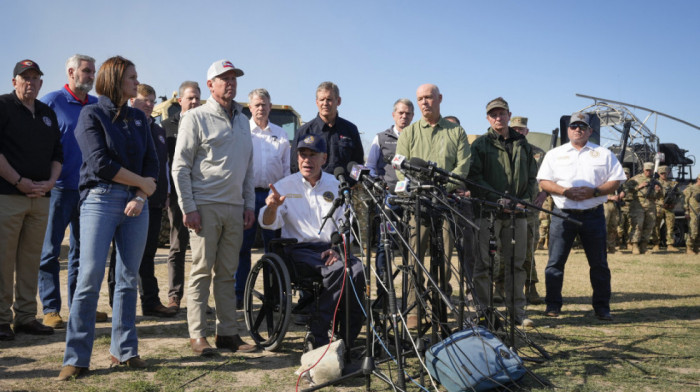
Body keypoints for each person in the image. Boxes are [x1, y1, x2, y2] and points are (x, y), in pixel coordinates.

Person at [59, 56, 159, 380]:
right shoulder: (91, 114)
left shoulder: (140, 120)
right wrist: (141, 184)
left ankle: (124, 351)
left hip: (137, 205)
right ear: (115, 80)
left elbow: (152, 165)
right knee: (89, 278)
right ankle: (75, 358)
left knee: (129, 279)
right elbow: (100, 162)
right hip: (100, 200)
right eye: (132, 76)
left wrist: (142, 194)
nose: (136, 81)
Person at [172, 59, 257, 356]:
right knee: (201, 272)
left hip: (234, 208)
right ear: (210, 84)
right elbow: (180, 167)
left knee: (227, 273)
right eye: (224, 78)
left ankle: (228, 333)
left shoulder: (244, 121)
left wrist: (248, 204)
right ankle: (198, 335)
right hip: (205, 206)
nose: (230, 83)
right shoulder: (194, 117)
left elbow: (248, 169)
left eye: (233, 78)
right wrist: (189, 207)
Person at [259, 135, 366, 349]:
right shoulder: (284, 186)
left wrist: (338, 248)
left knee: (357, 271)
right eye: (302, 155)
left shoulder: (336, 185)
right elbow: (268, 224)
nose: (307, 160)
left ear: (324, 158)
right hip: (298, 250)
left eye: (312, 155)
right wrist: (272, 207)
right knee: (339, 271)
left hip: (331, 248)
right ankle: (318, 333)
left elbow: (347, 224)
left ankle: (345, 338)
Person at [537, 111, 626, 321]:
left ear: (590, 131)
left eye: (582, 127)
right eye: (574, 126)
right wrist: (564, 191)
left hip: (593, 215)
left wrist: (595, 191)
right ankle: (553, 305)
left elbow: (617, 180)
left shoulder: (603, 154)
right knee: (555, 263)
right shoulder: (554, 154)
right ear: (568, 130)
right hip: (562, 214)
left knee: (599, 264)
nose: (578, 130)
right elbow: (543, 181)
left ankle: (602, 307)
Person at [395, 84, 471, 328]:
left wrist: (442, 188)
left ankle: (439, 306)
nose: (424, 102)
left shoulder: (456, 132)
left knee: (445, 259)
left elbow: (462, 167)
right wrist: (420, 189)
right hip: (417, 205)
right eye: (420, 99)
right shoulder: (409, 133)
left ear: (440, 98)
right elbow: (400, 169)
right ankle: (414, 309)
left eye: (428, 97)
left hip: (446, 204)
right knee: (414, 257)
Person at [37, 54, 103, 329]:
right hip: (58, 190)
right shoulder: (51, 102)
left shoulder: (97, 105)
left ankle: (80, 306)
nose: (91, 76)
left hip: (89, 191)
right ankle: (51, 310)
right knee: (50, 251)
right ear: (70, 72)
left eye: (92, 72)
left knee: (82, 252)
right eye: (86, 71)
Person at [0, 59, 62, 341]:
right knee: (3, 260)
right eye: (25, 78)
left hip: (41, 197)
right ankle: (1, 319)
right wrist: (18, 181)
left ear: (41, 82)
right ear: (14, 81)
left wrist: (50, 182)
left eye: (35, 78)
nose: (30, 82)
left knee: (29, 261)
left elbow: (57, 155)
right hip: (9, 196)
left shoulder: (47, 112)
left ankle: (25, 317)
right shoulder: (3, 106)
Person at [106, 84, 175, 317]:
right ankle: (118, 304)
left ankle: (151, 301)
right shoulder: (125, 126)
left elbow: (162, 165)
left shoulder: (157, 130)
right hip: (130, 199)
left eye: (153, 100)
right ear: (133, 100)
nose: (150, 104)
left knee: (148, 253)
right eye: (145, 99)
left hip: (154, 200)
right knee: (121, 254)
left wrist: (164, 193)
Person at [468, 98, 538, 328]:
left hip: (517, 213)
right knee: (485, 264)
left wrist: (524, 200)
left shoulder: (523, 144)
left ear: (509, 115)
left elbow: (531, 178)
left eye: (502, 113)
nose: (498, 118)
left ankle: (517, 311)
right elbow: (474, 178)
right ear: (488, 118)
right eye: (493, 114)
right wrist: (497, 200)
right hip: (488, 213)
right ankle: (485, 311)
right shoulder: (480, 145)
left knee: (516, 264)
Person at [235, 88, 290, 308]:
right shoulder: (241, 131)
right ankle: (239, 296)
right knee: (242, 248)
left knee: (273, 249)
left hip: (272, 198)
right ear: (250, 107)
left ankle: (274, 297)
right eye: (256, 104)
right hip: (247, 196)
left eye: (264, 104)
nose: (260, 108)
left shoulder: (281, 133)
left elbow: (286, 169)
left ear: (270, 106)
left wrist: (282, 197)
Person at [365, 98, 414, 298]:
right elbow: (370, 168)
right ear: (394, 114)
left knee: (412, 249)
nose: (404, 116)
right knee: (385, 246)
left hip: (413, 201)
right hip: (389, 202)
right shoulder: (381, 138)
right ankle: (384, 293)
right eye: (401, 113)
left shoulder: (416, 136)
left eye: (408, 113)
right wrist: (380, 185)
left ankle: (411, 295)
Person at [161, 80, 200, 312]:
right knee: (177, 245)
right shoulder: (167, 127)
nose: (194, 102)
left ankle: (198, 299)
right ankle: (174, 296)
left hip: (202, 193)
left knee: (201, 249)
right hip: (176, 196)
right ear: (180, 101)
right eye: (190, 98)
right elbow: (166, 164)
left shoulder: (207, 124)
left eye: (197, 98)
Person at [290, 81, 363, 174]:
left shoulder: (350, 130)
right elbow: (294, 166)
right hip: (314, 188)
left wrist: (350, 185)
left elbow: (358, 163)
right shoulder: (304, 132)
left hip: (343, 187)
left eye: (329, 99)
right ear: (317, 102)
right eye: (321, 100)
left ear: (338, 101)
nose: (325, 103)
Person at [508, 116, 544, 304]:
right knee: (500, 248)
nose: (518, 132)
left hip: (529, 208)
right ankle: (500, 286)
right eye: (514, 128)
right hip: (505, 206)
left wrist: (543, 194)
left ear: (527, 131)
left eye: (521, 129)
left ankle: (531, 286)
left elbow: (547, 177)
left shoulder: (538, 153)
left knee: (528, 248)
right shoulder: (504, 149)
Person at [625, 162, 661, 254]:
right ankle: (635, 245)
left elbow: (661, 195)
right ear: (644, 170)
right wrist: (638, 186)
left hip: (651, 205)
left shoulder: (656, 181)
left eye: (650, 170)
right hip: (638, 205)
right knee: (637, 225)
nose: (648, 172)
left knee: (649, 226)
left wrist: (658, 191)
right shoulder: (636, 179)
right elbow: (627, 189)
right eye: (647, 170)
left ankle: (644, 246)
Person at [652, 165, 679, 251]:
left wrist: (674, 203)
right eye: (662, 173)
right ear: (659, 174)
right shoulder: (655, 183)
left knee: (670, 227)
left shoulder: (673, 184)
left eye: (665, 173)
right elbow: (651, 196)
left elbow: (680, 195)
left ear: (668, 173)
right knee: (656, 226)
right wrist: (657, 191)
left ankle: (670, 245)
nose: (664, 175)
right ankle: (656, 244)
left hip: (669, 208)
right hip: (658, 207)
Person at [683, 174, 700, 255]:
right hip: (693, 213)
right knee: (693, 231)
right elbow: (685, 201)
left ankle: (696, 248)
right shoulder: (691, 188)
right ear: (698, 179)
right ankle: (689, 248)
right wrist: (686, 212)